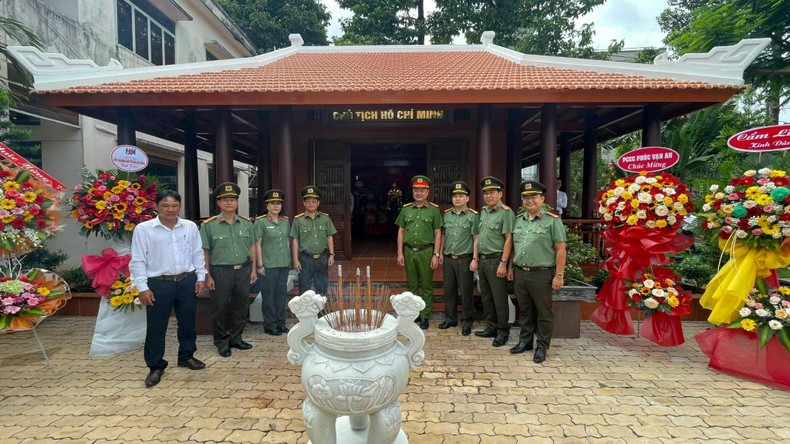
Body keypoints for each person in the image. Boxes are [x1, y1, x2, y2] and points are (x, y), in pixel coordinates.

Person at [130, 190, 207, 388]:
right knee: (157, 326)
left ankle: (186, 356)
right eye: (165, 205)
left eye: (174, 205)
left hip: (186, 280)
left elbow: (197, 253)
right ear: (156, 207)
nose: (170, 209)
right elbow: (138, 259)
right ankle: (155, 366)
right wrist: (142, 287)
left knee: (188, 322)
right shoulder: (144, 229)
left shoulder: (189, 227)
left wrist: (200, 276)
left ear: (180, 206)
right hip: (158, 283)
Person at [508, 180, 567, 363]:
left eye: (533, 196)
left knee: (543, 312)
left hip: (541, 274)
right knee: (525, 310)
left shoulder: (552, 221)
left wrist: (559, 275)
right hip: (521, 272)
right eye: (525, 197)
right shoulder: (519, 220)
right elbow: (514, 248)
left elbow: (560, 249)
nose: (529, 200)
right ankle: (525, 342)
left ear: (542, 198)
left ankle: (542, 346)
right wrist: (510, 267)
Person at [200, 182, 257, 358]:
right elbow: (205, 252)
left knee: (241, 305)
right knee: (220, 307)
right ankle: (222, 341)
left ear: (237, 202)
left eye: (233, 199)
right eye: (225, 200)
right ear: (218, 203)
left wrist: (254, 269)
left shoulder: (247, 224)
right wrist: (207, 275)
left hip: (243, 270)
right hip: (220, 271)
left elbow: (252, 246)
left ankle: (236, 338)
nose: (229, 203)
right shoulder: (209, 225)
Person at [395, 175, 443, 330]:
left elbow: (437, 233)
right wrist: (400, 252)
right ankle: (413, 314)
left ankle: (425, 315)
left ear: (427, 192)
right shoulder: (406, 209)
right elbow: (401, 231)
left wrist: (436, 254)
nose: (419, 193)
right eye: (416, 190)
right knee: (412, 284)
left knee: (427, 285)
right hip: (409, 252)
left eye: (422, 190)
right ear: (413, 191)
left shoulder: (434, 210)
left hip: (426, 252)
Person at [474, 176, 515, 347]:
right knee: (487, 297)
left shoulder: (506, 213)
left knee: (499, 299)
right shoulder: (483, 212)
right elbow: (478, 237)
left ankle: (502, 332)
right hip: (483, 260)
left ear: (500, 194)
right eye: (486, 193)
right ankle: (491, 327)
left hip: (496, 259)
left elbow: (509, 239)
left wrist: (504, 263)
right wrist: (476, 258)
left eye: (492, 193)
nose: (488, 196)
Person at [438, 181, 479, 335]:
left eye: (461, 196)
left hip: (465, 259)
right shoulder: (447, 214)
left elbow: (476, 239)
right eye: (455, 196)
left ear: (467, 198)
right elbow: (443, 235)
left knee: (466, 291)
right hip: (449, 258)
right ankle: (450, 318)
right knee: (449, 290)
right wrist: (440, 253)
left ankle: (467, 321)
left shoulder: (473, 216)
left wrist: (475, 258)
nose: (457, 198)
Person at [254, 189, 291, 336]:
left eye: (278, 203)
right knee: (268, 295)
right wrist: (260, 265)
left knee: (281, 294)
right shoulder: (261, 222)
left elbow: (287, 241)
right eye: (272, 203)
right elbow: (257, 244)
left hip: (283, 263)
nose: (276, 206)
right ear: (267, 205)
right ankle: (270, 325)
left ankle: (281, 322)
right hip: (268, 264)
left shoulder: (285, 221)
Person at [291, 185, 337, 295]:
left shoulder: (325, 219)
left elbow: (329, 236)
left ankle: (321, 312)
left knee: (322, 288)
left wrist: (331, 254)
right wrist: (295, 260)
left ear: (318, 203)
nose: (311, 203)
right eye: (308, 201)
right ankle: (305, 312)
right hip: (305, 259)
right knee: (304, 289)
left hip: (322, 258)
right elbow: (295, 240)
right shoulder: (298, 220)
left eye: (314, 201)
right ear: (304, 203)